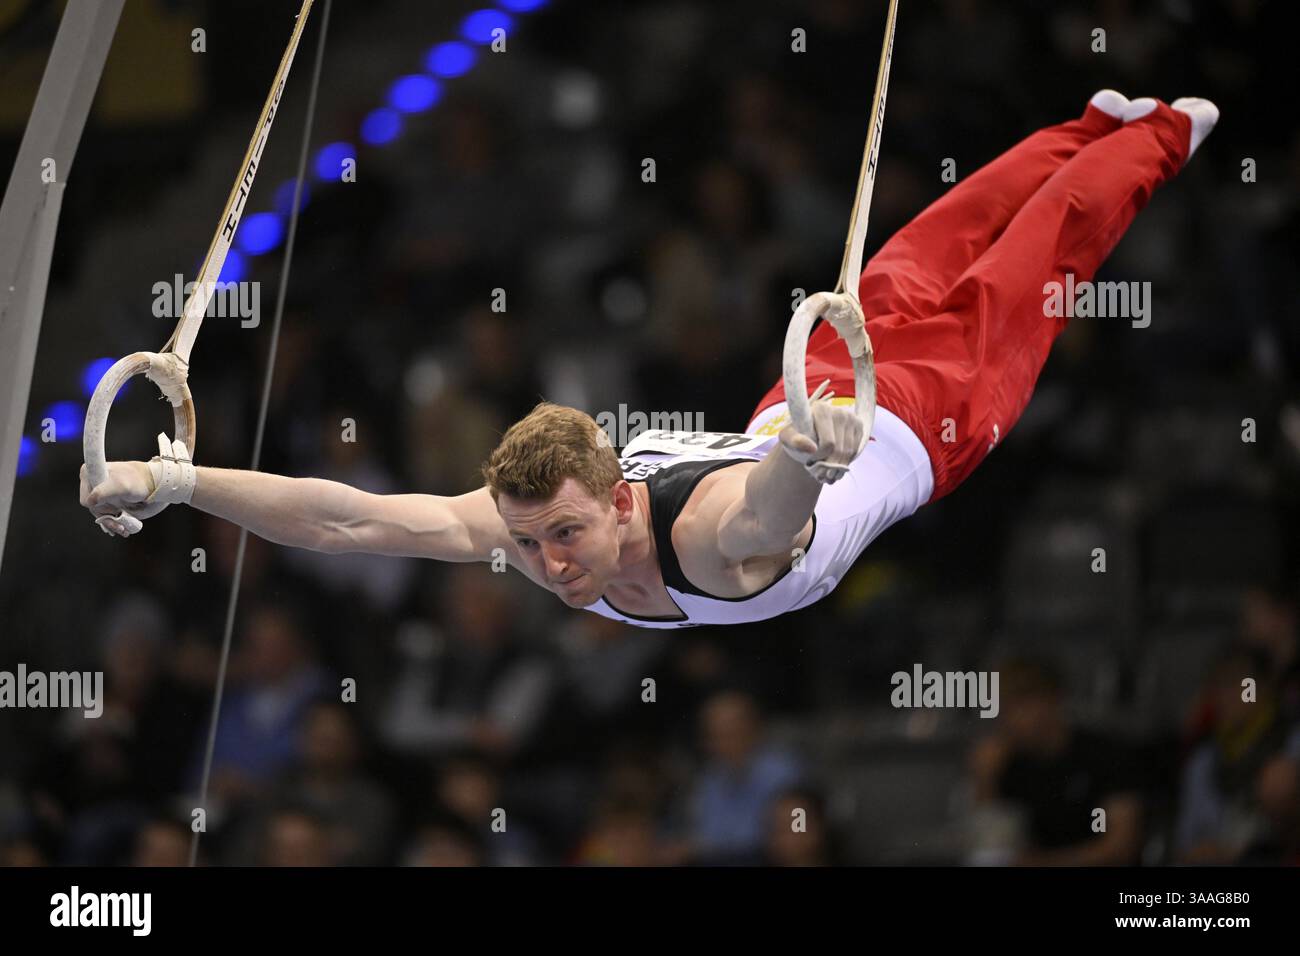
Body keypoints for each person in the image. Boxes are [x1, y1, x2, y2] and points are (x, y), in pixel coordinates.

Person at [81, 92, 1219, 630]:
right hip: (848, 407)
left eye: (564, 533)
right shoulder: (532, 527)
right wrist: (180, 483)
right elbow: (342, 517)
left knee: (1028, 258)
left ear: (620, 493)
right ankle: (1087, 121)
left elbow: (757, 523)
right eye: (526, 540)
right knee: (931, 252)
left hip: (855, 428)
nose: (549, 561)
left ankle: (1162, 133)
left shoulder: (693, 534)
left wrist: (807, 465)